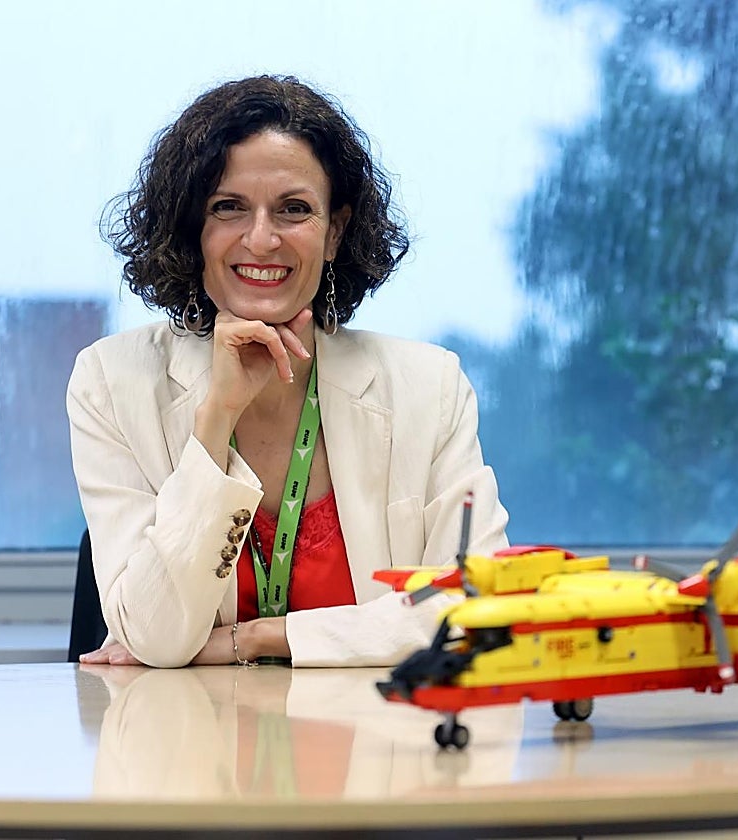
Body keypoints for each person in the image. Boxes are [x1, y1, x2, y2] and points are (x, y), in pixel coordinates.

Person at [67, 75, 509, 668]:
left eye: (293, 210)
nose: (261, 238)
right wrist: (216, 417)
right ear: (191, 231)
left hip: (381, 750)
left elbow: (474, 607)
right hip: (187, 753)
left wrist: (258, 639)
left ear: (335, 232)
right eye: (228, 208)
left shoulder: (430, 389)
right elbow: (156, 639)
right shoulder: (111, 383)